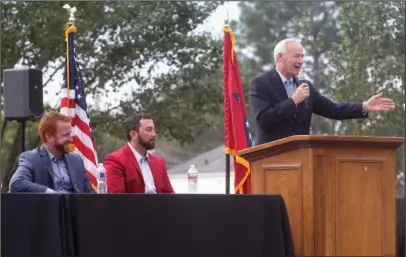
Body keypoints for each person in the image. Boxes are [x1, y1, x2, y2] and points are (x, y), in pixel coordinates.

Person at [249, 38, 395, 145]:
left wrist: (364, 107)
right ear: (280, 57)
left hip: (300, 160)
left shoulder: (305, 86)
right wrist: (293, 101)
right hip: (269, 161)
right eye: (296, 56)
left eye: (302, 56)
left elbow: (333, 110)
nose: (301, 61)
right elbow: (264, 119)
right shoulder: (261, 83)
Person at [9, 111, 95, 193]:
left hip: (75, 208)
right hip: (47, 207)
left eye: (70, 134)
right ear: (49, 137)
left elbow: (90, 194)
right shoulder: (31, 158)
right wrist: (49, 193)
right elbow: (16, 183)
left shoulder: (76, 160)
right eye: (66, 135)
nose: (71, 139)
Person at [104, 113, 174, 194]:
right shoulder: (115, 161)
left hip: (159, 206)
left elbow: (170, 195)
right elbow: (117, 201)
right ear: (133, 134)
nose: (154, 134)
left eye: (154, 129)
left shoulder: (159, 162)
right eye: (149, 129)